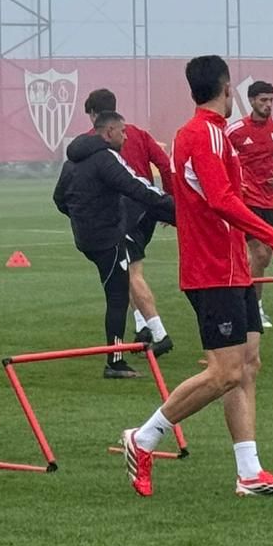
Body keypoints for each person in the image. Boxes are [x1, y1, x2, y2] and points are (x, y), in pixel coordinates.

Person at [120, 55, 273, 498]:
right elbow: (221, 199)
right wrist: (272, 238)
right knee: (224, 372)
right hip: (211, 271)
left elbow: (222, 197)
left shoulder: (217, 134)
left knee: (248, 367)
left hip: (233, 267)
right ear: (228, 89)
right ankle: (143, 438)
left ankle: (249, 473)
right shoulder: (201, 134)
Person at [54, 111, 176, 378]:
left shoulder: (71, 162)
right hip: (107, 239)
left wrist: (82, 219)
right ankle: (115, 362)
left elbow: (59, 198)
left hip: (87, 239)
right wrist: (175, 208)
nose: (126, 136)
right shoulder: (105, 158)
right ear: (108, 131)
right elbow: (135, 186)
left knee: (119, 291)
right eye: (122, 131)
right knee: (118, 298)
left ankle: (129, 344)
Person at [81, 88, 174, 352]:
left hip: (123, 213)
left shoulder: (94, 141)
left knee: (131, 273)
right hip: (149, 207)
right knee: (126, 270)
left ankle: (160, 334)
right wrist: (168, 199)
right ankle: (141, 327)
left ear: (95, 115)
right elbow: (164, 164)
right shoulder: (139, 134)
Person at [226, 80, 273, 327]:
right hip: (246, 200)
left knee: (265, 258)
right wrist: (234, 183)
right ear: (251, 101)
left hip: (269, 200)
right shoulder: (235, 131)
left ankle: (250, 303)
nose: (268, 105)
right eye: (263, 100)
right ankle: (255, 310)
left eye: (271, 100)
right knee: (259, 252)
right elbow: (222, 158)